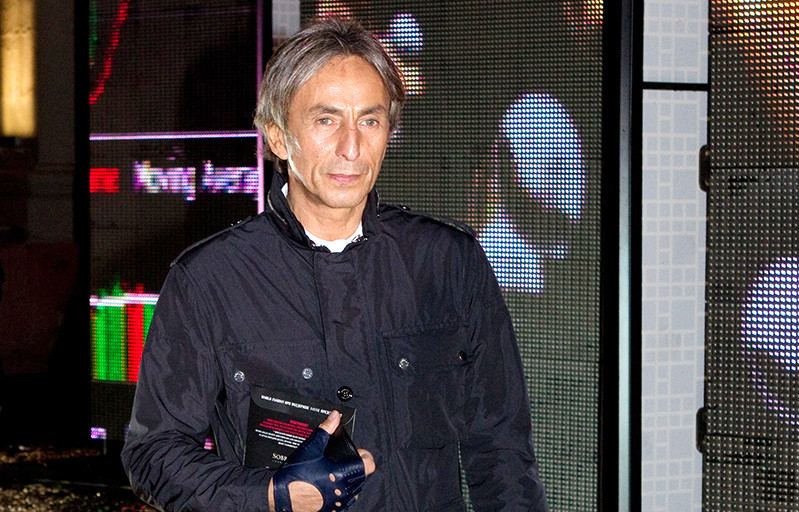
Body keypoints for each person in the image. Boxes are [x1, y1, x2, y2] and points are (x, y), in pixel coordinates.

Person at [121, 17, 547, 512]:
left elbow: (503, 454)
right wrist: (271, 496)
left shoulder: (448, 261)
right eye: (326, 120)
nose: (352, 147)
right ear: (278, 137)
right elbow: (153, 454)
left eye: (370, 121)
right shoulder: (209, 280)